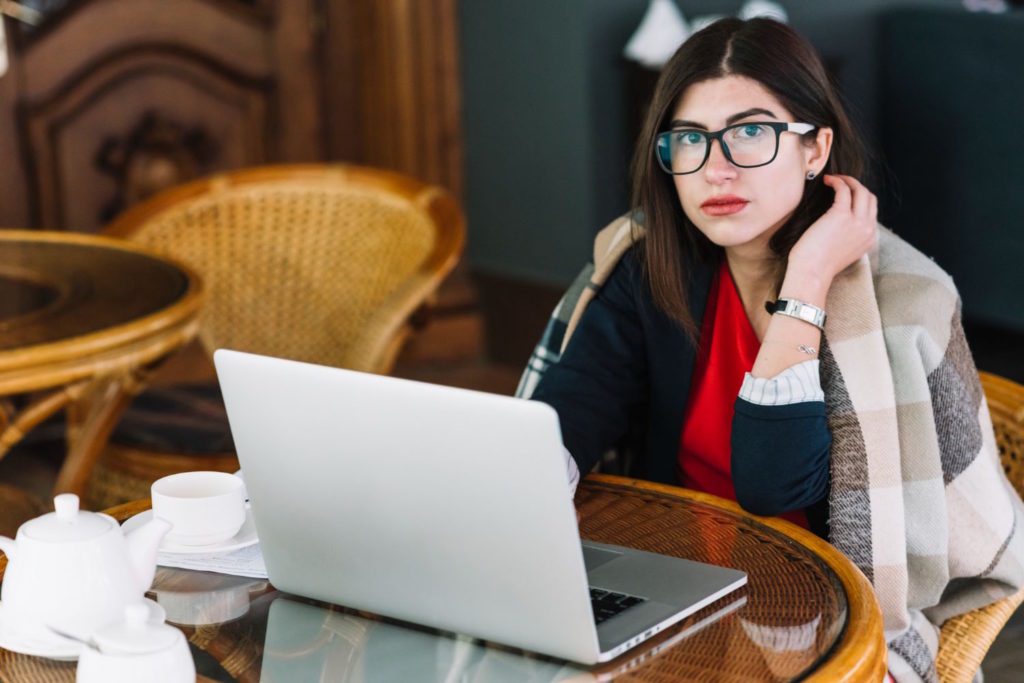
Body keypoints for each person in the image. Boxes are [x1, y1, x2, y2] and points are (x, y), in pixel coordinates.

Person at [522, 17, 1024, 683]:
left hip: (816, 611)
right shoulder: (649, 266)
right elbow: (566, 418)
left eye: (751, 133)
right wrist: (519, 489)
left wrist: (808, 279)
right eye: (690, 141)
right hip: (676, 587)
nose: (717, 167)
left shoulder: (908, 302)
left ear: (816, 149)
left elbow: (771, 483)